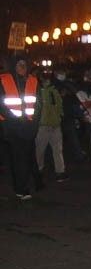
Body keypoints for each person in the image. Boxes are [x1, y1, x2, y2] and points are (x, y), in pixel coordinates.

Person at [0, 53, 40, 198]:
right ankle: (21, 188)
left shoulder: (33, 81)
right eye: (19, 64)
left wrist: (34, 124)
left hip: (28, 127)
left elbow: (38, 104)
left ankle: (26, 184)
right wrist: (14, 120)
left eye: (24, 64)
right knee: (19, 158)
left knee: (26, 157)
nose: (22, 67)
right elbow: (2, 105)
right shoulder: (4, 79)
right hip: (12, 128)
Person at [35, 70, 67, 182]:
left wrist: (60, 117)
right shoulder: (38, 91)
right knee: (40, 150)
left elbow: (59, 106)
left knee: (57, 150)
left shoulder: (54, 91)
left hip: (54, 124)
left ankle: (60, 172)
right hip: (43, 125)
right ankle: (38, 170)